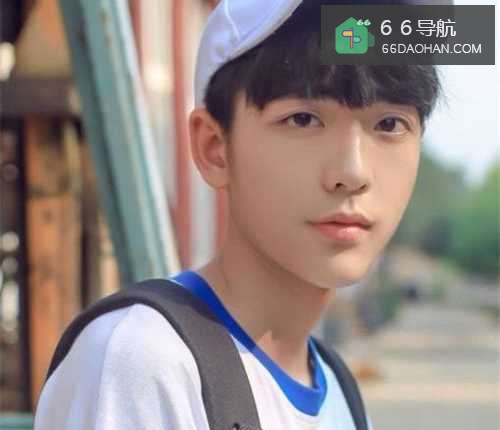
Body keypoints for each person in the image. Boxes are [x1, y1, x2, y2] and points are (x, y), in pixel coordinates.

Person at [34, 0, 441, 428]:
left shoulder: (339, 390)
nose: (352, 173)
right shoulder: (144, 364)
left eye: (390, 124)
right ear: (214, 148)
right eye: (303, 119)